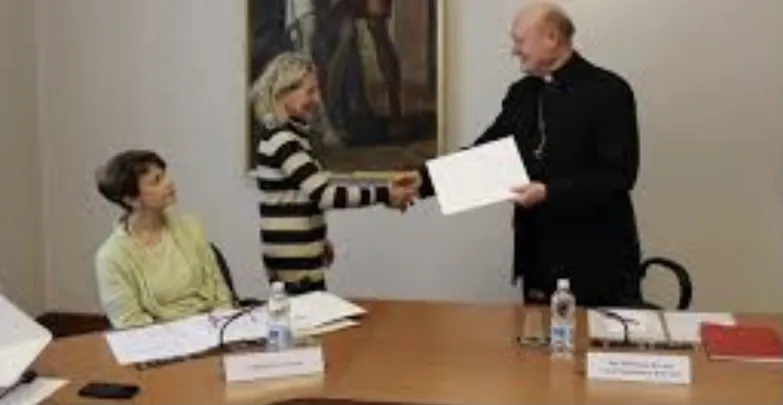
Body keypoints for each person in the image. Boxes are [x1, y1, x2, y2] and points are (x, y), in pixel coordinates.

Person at [398, 1, 642, 307]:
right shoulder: (522, 94)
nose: (514, 50)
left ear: (551, 37)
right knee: (537, 339)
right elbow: (485, 155)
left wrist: (548, 192)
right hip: (538, 257)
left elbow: (618, 176)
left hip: (598, 260)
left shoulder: (609, 91)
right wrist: (423, 180)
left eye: (519, 41)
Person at [249, 51, 416, 295]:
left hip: (297, 258)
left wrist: (317, 242)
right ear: (284, 92)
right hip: (294, 263)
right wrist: (385, 194)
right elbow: (325, 195)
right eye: (310, 91)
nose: (317, 99)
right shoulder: (283, 140)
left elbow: (299, 197)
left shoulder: (286, 137)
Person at [94, 150, 233, 329]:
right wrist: (181, 336)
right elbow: (129, 323)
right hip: (159, 338)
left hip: (211, 328)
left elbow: (220, 292)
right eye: (156, 181)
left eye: (164, 175)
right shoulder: (111, 257)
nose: (169, 183)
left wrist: (224, 326)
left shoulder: (191, 227)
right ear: (131, 199)